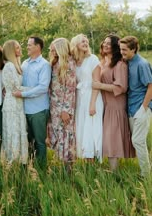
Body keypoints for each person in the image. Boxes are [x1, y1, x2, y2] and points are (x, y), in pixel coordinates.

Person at [93, 34, 135, 171]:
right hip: (105, 105)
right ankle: (111, 169)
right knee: (107, 137)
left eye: (109, 43)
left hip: (116, 105)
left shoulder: (120, 64)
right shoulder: (103, 62)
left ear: (115, 47)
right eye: (104, 42)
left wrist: (99, 85)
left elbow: (121, 87)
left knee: (112, 138)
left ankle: (113, 172)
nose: (105, 45)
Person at [13, 36, 51, 167]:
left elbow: (42, 88)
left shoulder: (44, 65)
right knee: (28, 141)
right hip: (25, 110)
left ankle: (41, 171)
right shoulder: (25, 63)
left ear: (38, 47)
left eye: (30, 45)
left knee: (40, 142)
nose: (27, 47)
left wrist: (22, 94)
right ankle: (29, 168)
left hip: (38, 110)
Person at [120, 36, 152, 177]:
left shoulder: (142, 64)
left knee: (138, 140)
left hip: (141, 108)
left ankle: (145, 174)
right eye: (121, 49)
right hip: (131, 108)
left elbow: (150, 86)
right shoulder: (128, 62)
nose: (122, 52)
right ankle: (144, 170)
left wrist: (143, 108)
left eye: (125, 50)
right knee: (137, 141)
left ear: (133, 49)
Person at [70, 34, 103, 162]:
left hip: (92, 97)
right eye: (82, 41)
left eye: (86, 41)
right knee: (81, 128)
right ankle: (84, 160)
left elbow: (96, 83)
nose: (85, 43)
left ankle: (92, 161)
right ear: (75, 44)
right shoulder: (73, 61)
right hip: (80, 98)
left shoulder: (93, 59)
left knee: (91, 129)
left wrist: (92, 104)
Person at [47, 38, 76, 165]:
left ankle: (68, 170)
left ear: (60, 48)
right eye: (51, 48)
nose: (51, 50)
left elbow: (70, 89)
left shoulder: (69, 64)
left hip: (63, 108)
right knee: (58, 137)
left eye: (54, 48)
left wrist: (66, 110)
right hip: (54, 107)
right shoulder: (54, 63)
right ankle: (61, 168)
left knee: (65, 136)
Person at [2, 40, 28, 164]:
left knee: (19, 130)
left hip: (18, 103)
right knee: (13, 131)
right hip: (12, 103)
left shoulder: (18, 65)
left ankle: (21, 161)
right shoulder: (9, 66)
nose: (20, 50)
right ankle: (13, 161)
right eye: (17, 48)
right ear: (11, 51)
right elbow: (16, 88)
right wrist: (36, 88)